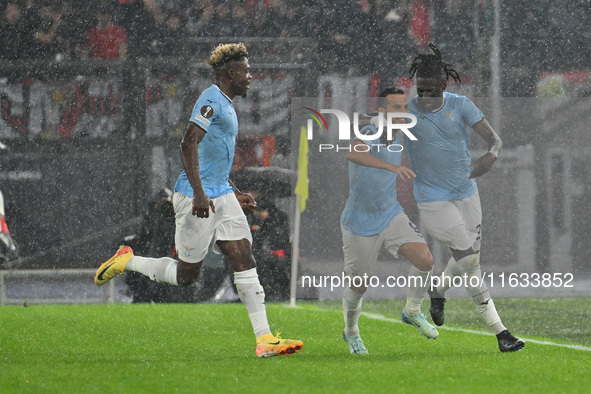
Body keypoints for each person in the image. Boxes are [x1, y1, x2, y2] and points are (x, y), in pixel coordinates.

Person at [94, 43, 303, 358]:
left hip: (221, 194)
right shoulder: (211, 99)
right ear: (230, 72)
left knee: (243, 256)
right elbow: (188, 142)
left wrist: (232, 191)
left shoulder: (229, 104)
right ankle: (127, 260)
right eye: (246, 71)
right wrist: (200, 193)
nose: (250, 77)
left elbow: (214, 158)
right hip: (196, 196)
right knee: (185, 275)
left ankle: (265, 340)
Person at [404, 43, 524, 352]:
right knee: (470, 261)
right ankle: (502, 334)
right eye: (421, 91)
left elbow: (495, 140)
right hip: (433, 201)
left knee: (472, 256)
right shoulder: (406, 112)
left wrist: (492, 156)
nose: (426, 98)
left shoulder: (461, 105)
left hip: (467, 192)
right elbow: (379, 136)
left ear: (444, 85)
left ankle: (438, 289)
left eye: (432, 91)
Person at [341, 88, 438, 356]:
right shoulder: (370, 132)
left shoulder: (402, 134)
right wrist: (391, 167)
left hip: (390, 213)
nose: (403, 112)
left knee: (425, 260)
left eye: (405, 107)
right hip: (359, 221)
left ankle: (412, 311)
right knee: (359, 286)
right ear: (382, 111)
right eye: (396, 107)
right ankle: (351, 332)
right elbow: (352, 153)